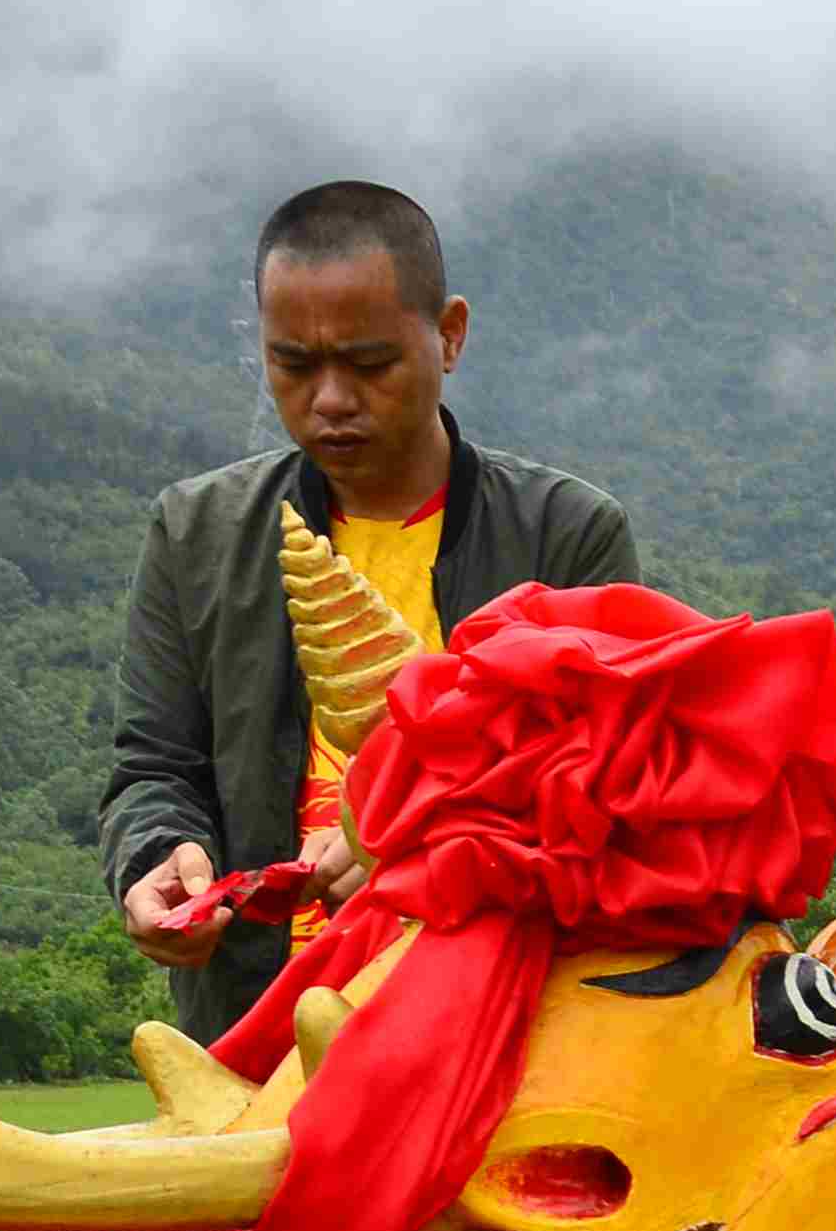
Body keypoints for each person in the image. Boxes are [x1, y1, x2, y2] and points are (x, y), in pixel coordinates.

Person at [100, 180, 642, 1037]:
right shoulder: (196, 534)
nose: (330, 400)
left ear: (449, 335)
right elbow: (155, 766)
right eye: (293, 364)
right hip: (257, 1036)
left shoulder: (566, 538)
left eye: (368, 363)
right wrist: (157, 858)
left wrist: (428, 838)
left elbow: (619, 792)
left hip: (496, 1035)